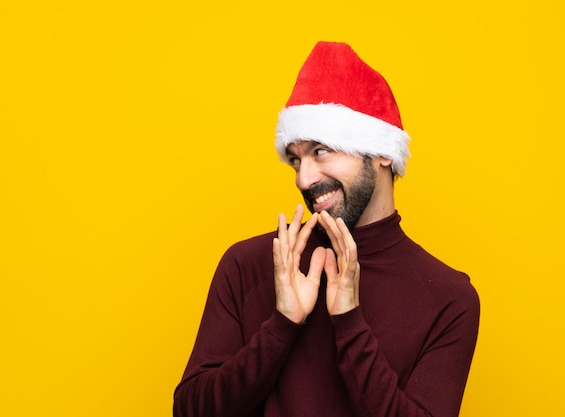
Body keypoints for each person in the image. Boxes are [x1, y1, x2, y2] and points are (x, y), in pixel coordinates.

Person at [173, 41, 480, 417]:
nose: (304, 179)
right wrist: (281, 326)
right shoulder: (249, 265)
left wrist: (350, 322)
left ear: (382, 152)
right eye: (295, 159)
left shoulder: (449, 300)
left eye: (321, 151)